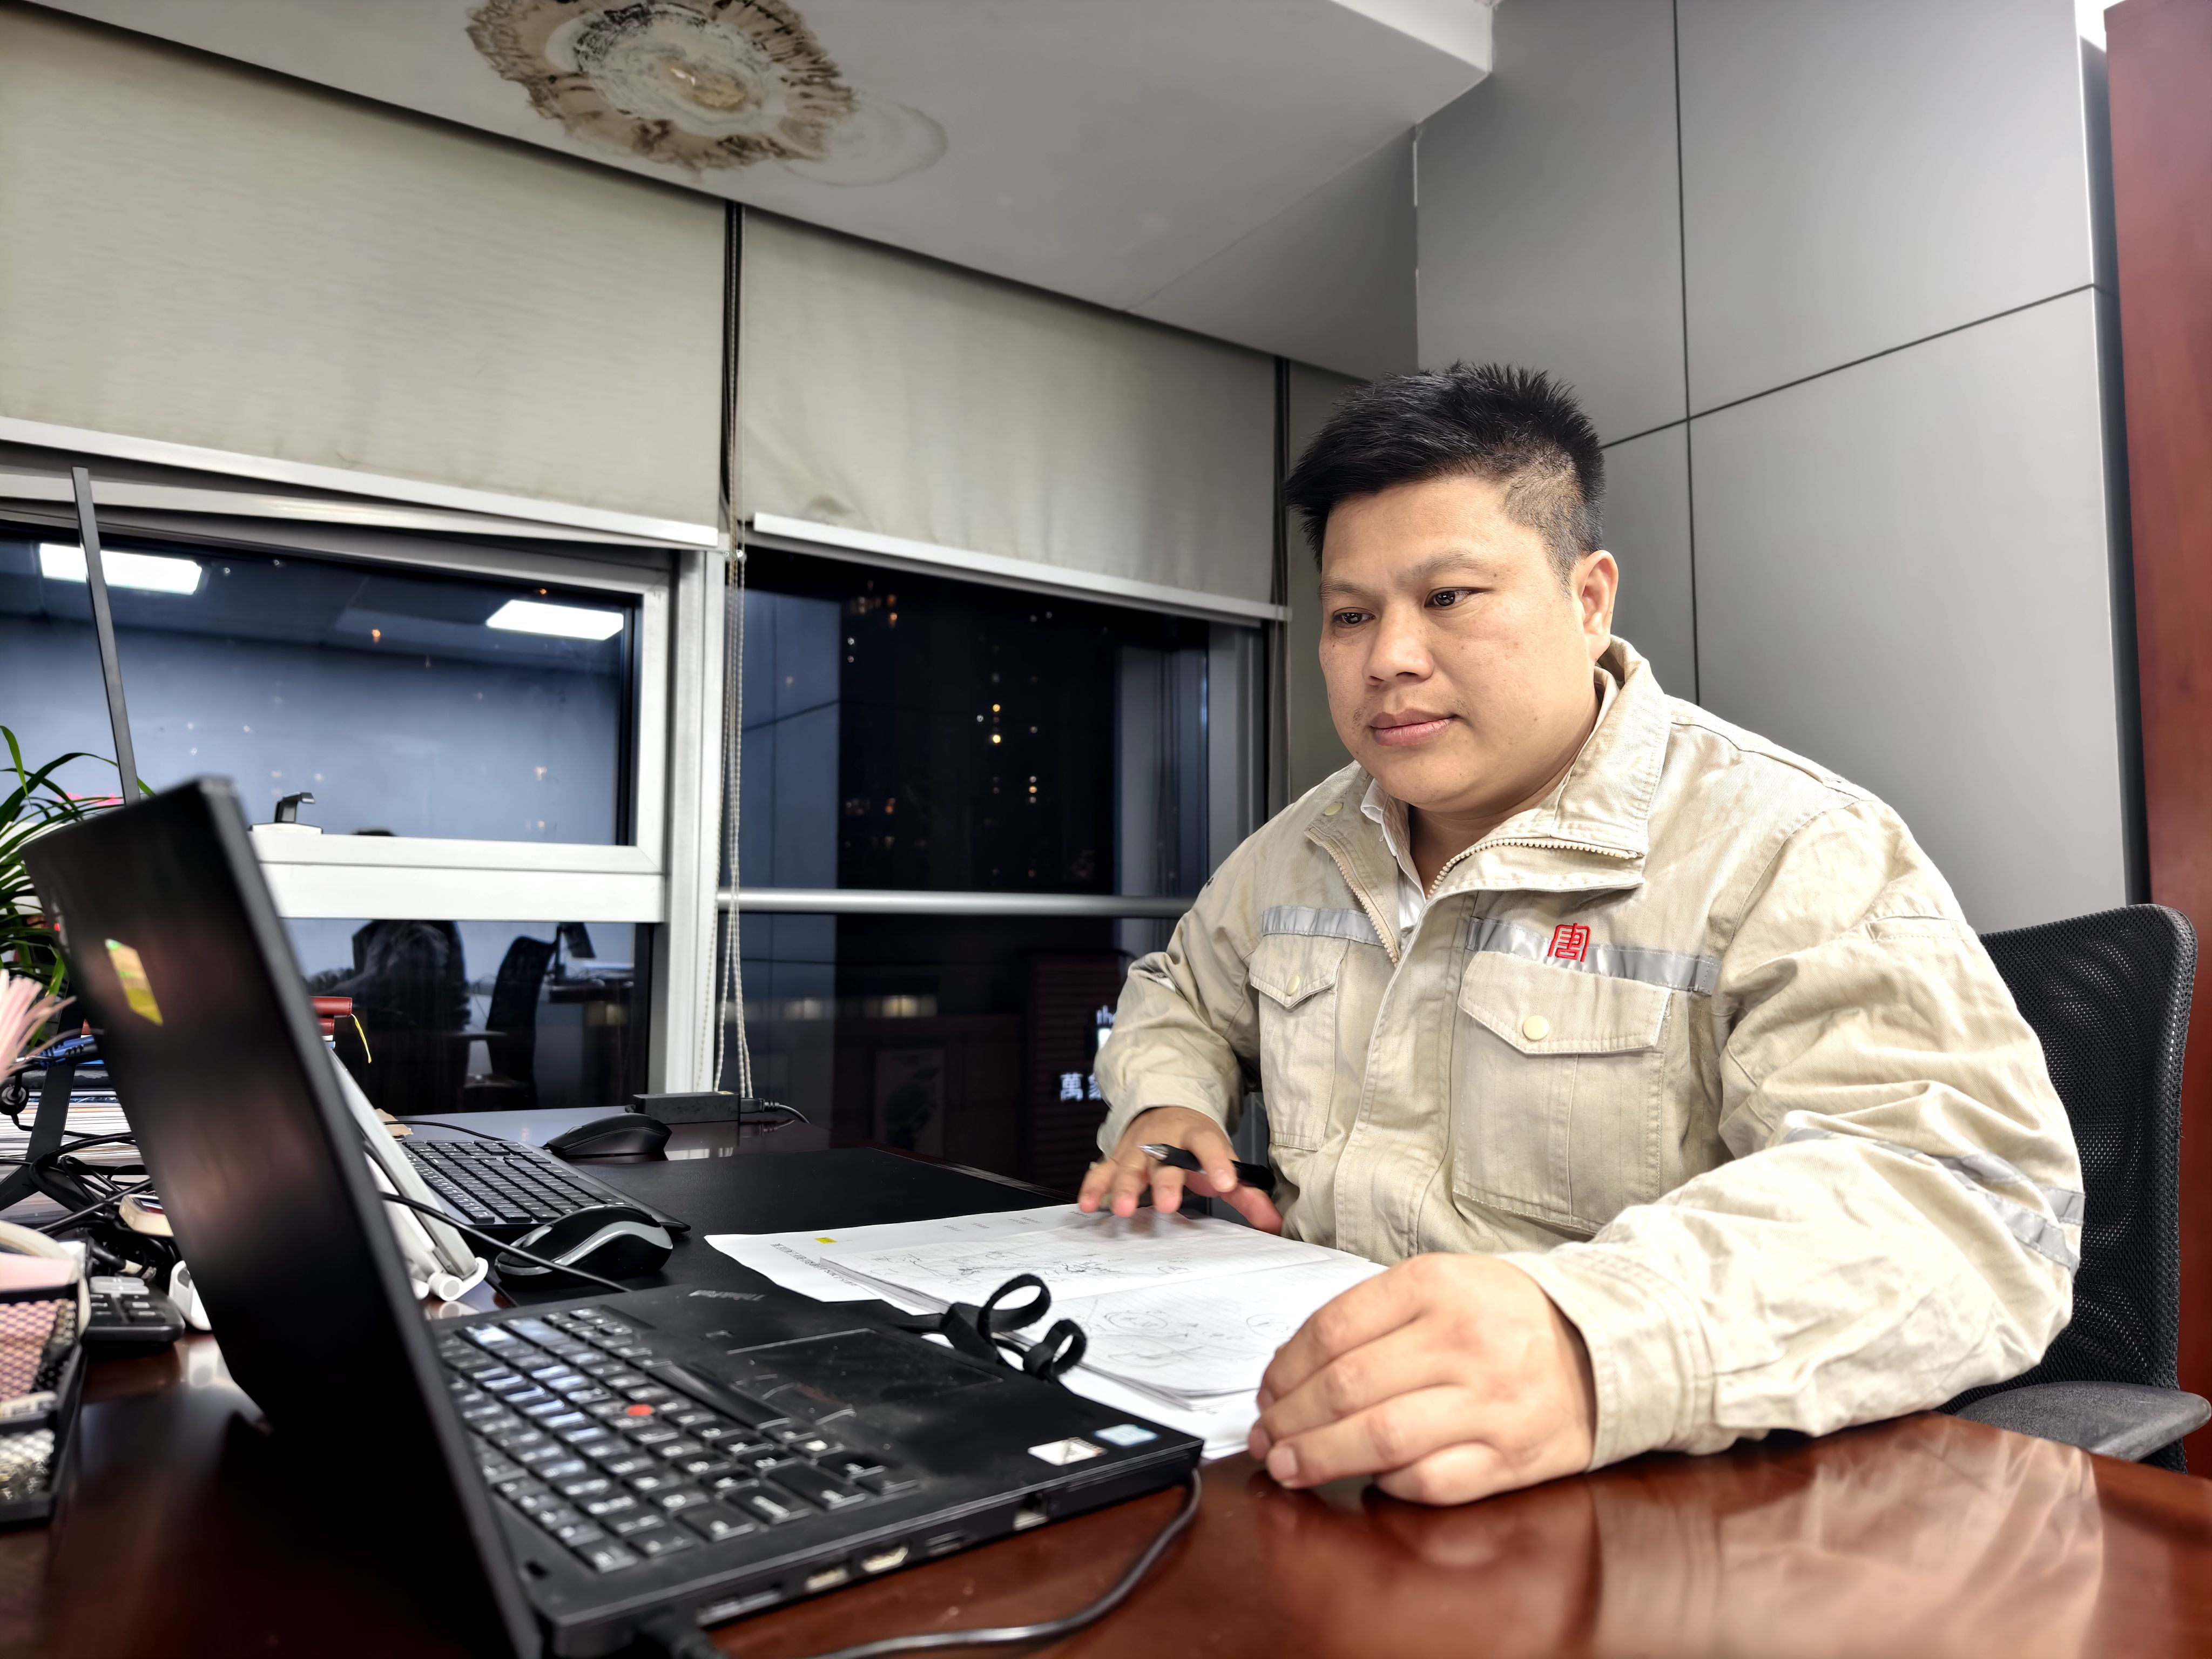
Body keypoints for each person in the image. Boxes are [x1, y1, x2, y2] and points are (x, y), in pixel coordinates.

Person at [1080, 364, 2081, 1506]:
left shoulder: (1787, 846)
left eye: (1448, 596)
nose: (1387, 656)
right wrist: (1166, 1104)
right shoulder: (1302, 846)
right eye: (1350, 614)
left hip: (1655, 1492)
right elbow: (1180, 992)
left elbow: (1968, 1209)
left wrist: (1591, 1340)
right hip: (1320, 1433)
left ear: (1589, 597)